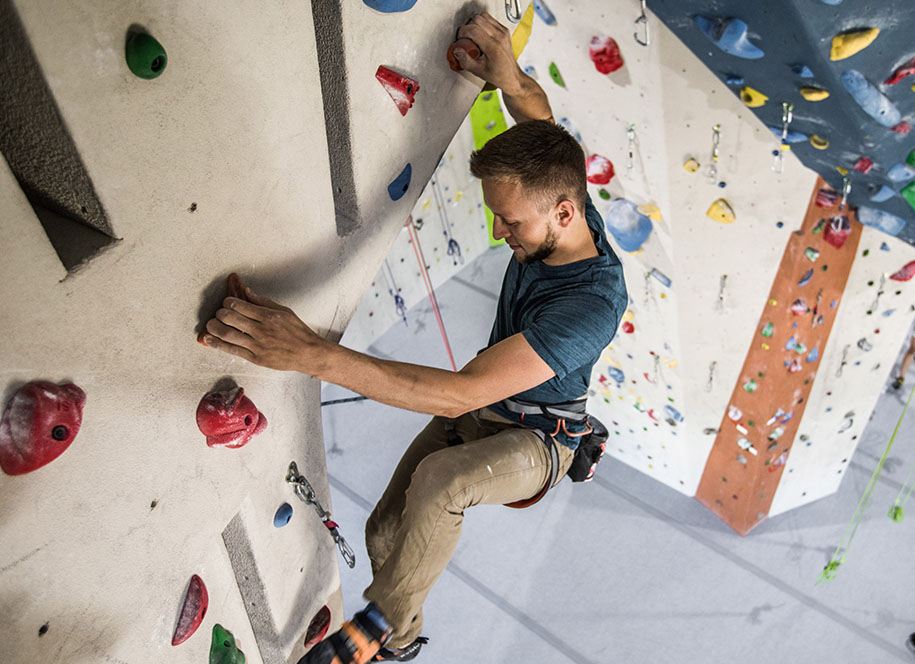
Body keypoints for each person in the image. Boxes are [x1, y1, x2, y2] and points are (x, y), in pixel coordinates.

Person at [200, 12, 627, 664]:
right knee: (383, 535)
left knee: (443, 480)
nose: (502, 236)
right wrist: (506, 72)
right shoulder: (564, 200)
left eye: (510, 223)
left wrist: (310, 353)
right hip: (491, 407)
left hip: (537, 436)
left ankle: (379, 632)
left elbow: (459, 397)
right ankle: (401, 634)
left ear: (562, 213)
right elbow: (538, 119)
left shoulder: (591, 306)